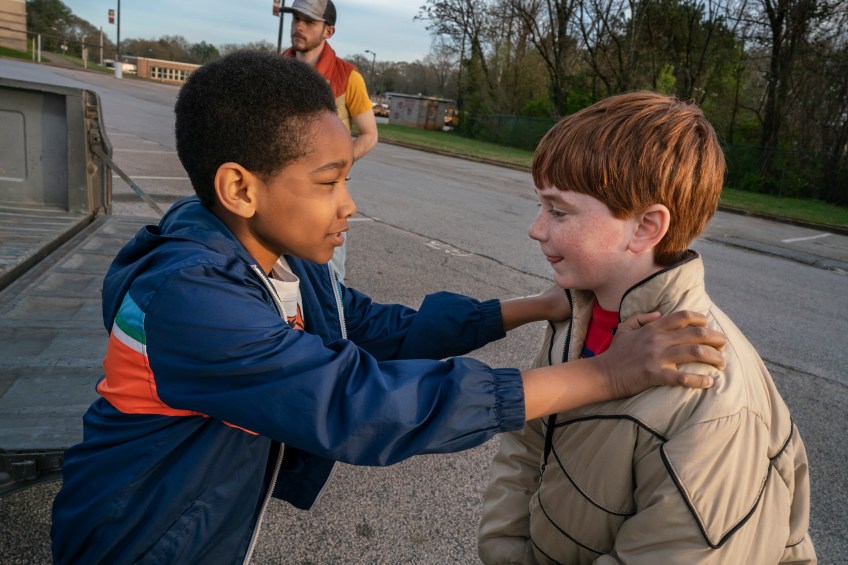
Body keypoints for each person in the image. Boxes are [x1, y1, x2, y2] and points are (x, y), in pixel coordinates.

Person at [50, 54, 725, 564]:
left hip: (200, 523)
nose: (349, 205)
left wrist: (532, 306)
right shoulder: (190, 302)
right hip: (136, 536)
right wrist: (607, 373)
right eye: (328, 182)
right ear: (240, 188)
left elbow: (376, 331)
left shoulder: (280, 261)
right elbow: (358, 402)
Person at [477, 92, 815, 564]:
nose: (536, 228)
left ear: (645, 227)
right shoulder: (579, 314)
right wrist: (507, 549)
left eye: (558, 210)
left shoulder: (709, 397)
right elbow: (529, 441)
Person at [282, 0, 377, 282]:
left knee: (328, 277)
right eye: (296, 18)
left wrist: (333, 169)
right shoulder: (274, 70)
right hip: (282, 189)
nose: (299, 26)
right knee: (276, 269)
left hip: (326, 196)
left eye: (309, 21)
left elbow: (369, 134)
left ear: (328, 31)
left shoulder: (348, 77)